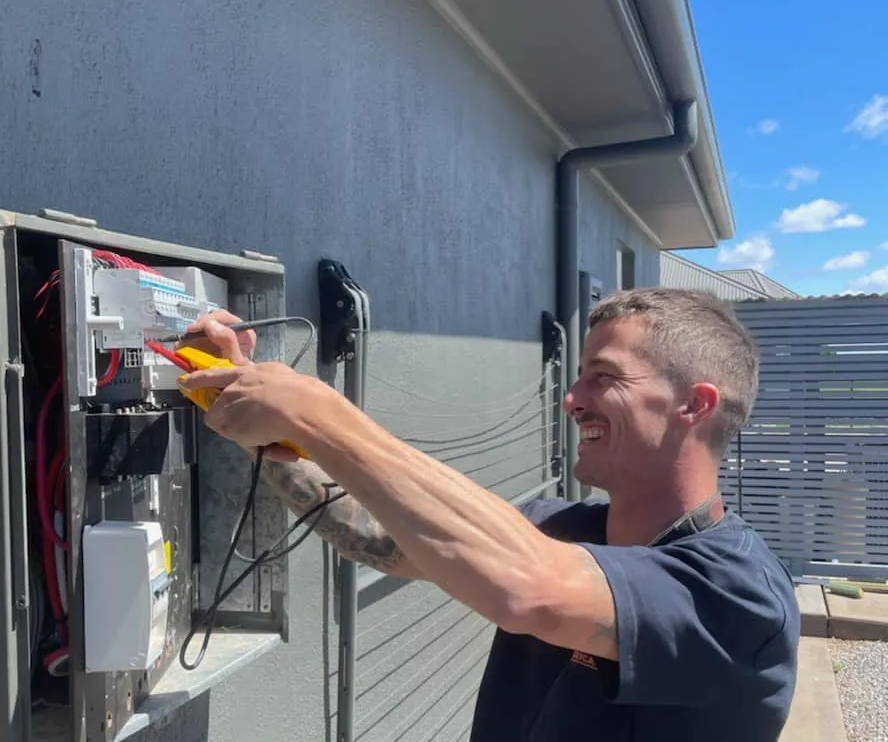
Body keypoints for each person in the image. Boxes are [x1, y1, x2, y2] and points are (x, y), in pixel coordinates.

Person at [181, 287, 799, 741]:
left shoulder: (737, 593)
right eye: (578, 376)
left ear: (694, 404)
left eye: (602, 377)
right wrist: (253, 424)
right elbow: (377, 536)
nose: (572, 399)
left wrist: (314, 411)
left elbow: (529, 589)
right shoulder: (565, 528)